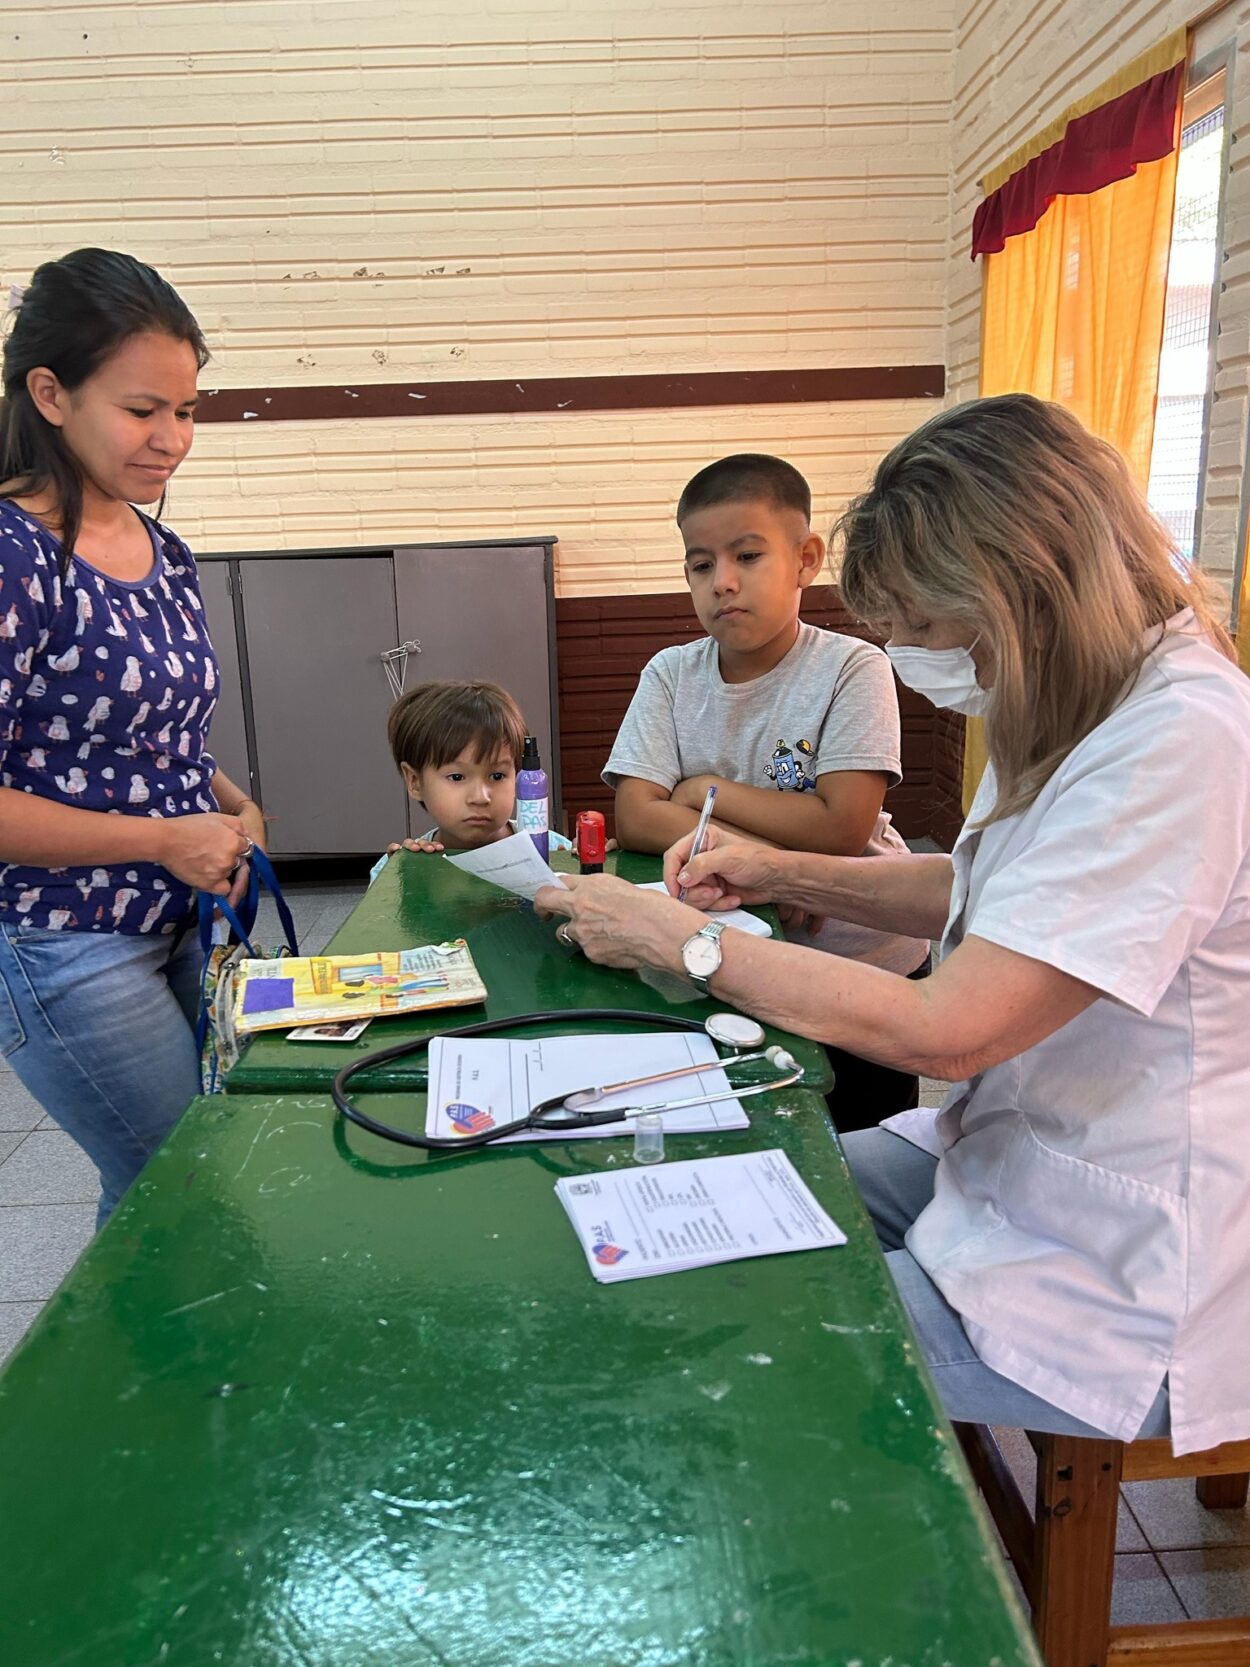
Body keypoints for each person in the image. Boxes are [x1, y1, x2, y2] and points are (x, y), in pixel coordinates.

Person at [535, 394, 1250, 1454]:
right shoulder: (1088, 692)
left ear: (1016, 592)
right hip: (1019, 1154)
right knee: (706, 1192)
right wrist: (773, 866)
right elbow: (976, 885)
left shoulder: (1175, 739)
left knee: (711, 1336)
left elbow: (948, 1027)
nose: (924, 659)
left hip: (1120, 1265)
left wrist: (678, 938)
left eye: (928, 630)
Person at [0, 248, 264, 1225]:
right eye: (142, 409)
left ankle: (167, 1372)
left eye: (187, 411)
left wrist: (228, 804)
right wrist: (163, 837)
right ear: (51, 393)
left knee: (189, 1174)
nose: (171, 439)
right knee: (181, 1191)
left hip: (182, 913)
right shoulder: (14, 554)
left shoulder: (164, 550)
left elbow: (152, 739)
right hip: (65, 938)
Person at [603, 452, 928, 1127]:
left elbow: (843, 825)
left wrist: (705, 790)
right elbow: (635, 814)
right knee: (750, 1137)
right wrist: (773, 871)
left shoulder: (852, 667)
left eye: (747, 556)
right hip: (731, 958)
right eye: (700, 564)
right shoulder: (669, 674)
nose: (722, 582)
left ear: (806, 559)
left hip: (862, 964)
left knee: (853, 1155)